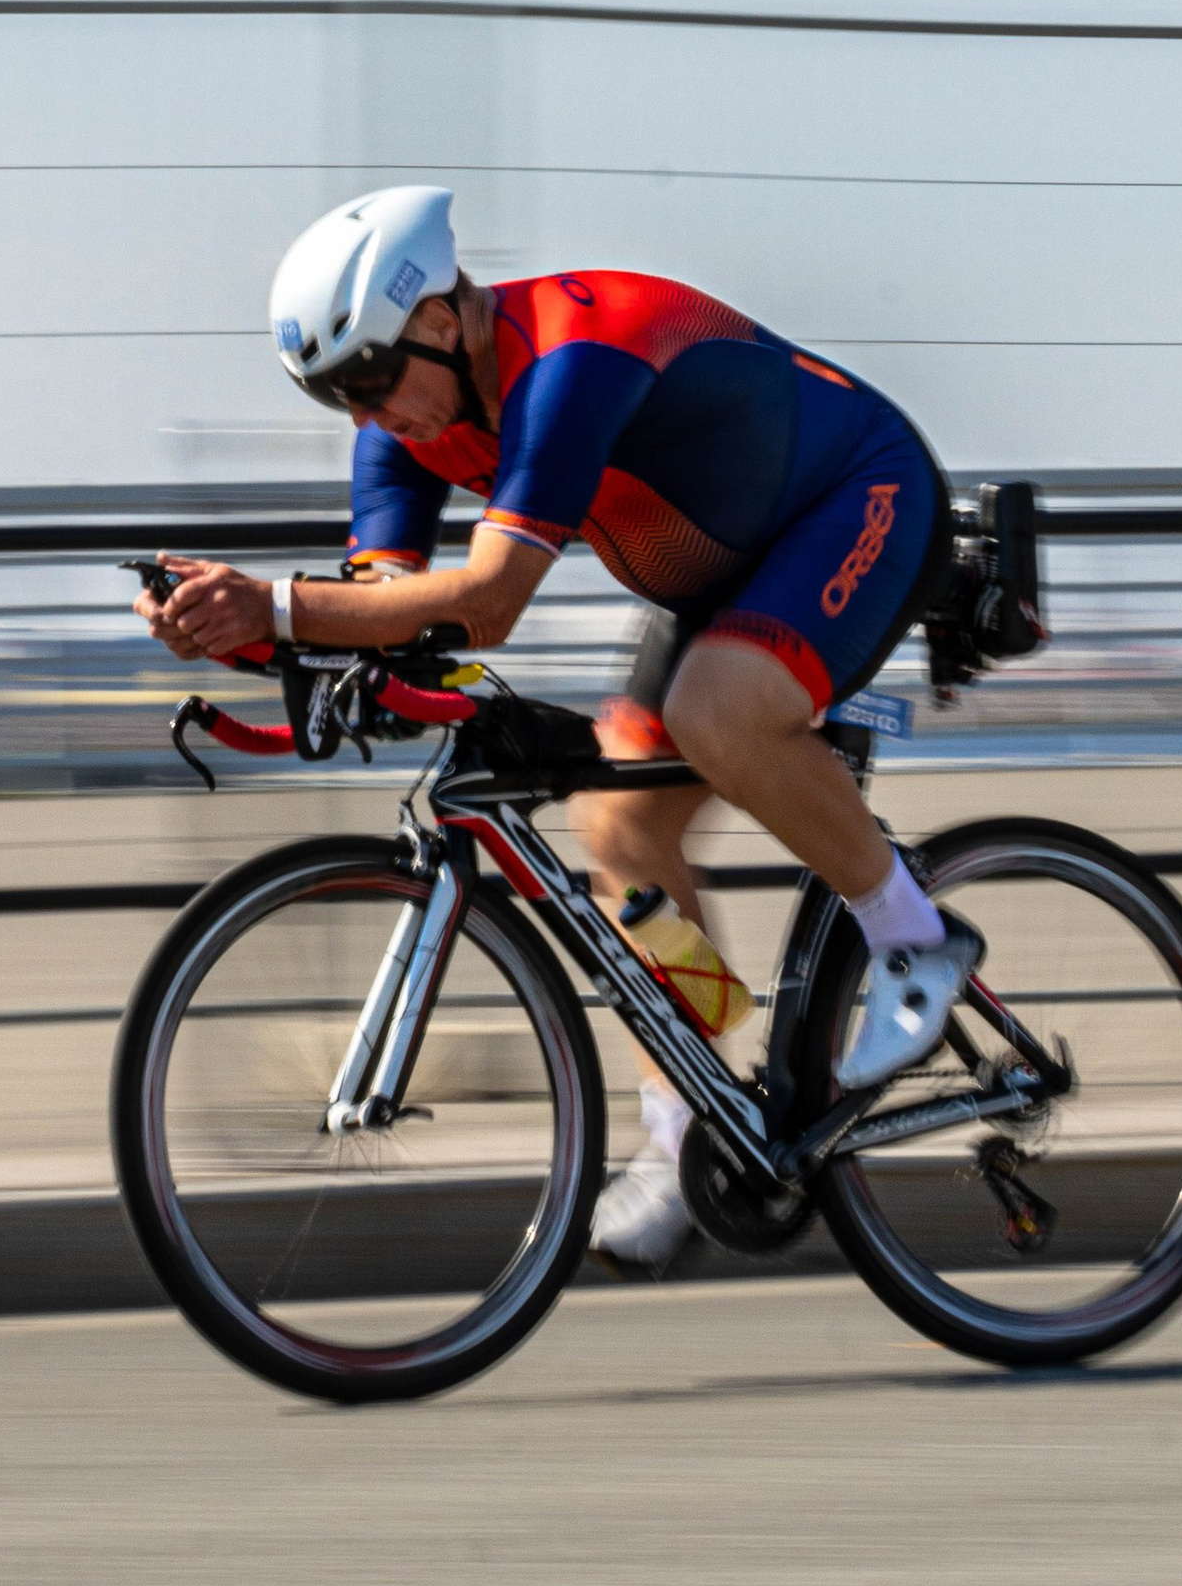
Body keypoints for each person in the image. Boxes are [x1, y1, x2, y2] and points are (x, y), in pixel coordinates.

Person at [135, 183, 981, 1279]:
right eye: (334, 398)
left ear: (440, 317)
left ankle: (915, 937)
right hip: (722, 585)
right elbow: (386, 615)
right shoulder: (408, 421)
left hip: (860, 493)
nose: (364, 419)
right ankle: (690, 1125)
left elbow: (485, 601)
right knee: (621, 832)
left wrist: (279, 605)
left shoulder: (568, 361)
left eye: (370, 381)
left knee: (717, 712)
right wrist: (234, 637)